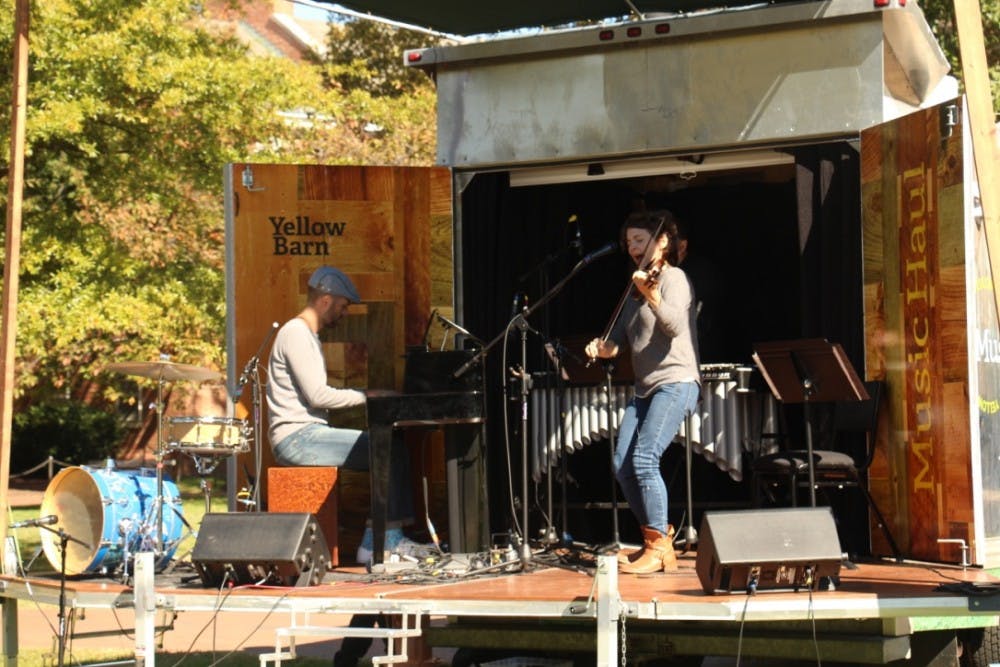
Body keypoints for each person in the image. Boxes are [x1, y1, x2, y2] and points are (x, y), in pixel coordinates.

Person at [266, 265, 418, 564]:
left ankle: (378, 540)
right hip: (298, 438)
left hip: (303, 435)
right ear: (325, 300)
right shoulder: (296, 333)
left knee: (389, 448)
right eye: (343, 306)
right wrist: (367, 395)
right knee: (389, 450)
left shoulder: (304, 335)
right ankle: (385, 541)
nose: (344, 313)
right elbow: (318, 395)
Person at [585, 210, 701, 573]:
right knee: (623, 464)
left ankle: (657, 545)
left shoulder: (674, 279)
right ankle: (658, 541)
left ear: (662, 241)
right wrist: (602, 348)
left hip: (676, 381)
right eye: (629, 242)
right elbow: (617, 342)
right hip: (645, 388)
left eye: (640, 240)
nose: (633, 247)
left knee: (645, 459)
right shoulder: (633, 292)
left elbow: (675, 324)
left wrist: (652, 295)